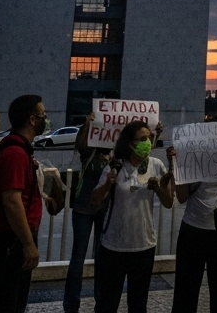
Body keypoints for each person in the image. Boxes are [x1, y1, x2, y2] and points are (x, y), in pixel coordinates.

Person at [0, 94, 47, 313]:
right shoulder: (15, 153)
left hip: (6, 243)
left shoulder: (16, 147)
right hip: (5, 245)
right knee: (4, 304)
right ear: (32, 120)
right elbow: (12, 202)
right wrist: (28, 244)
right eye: (43, 115)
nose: (46, 119)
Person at [89, 119, 173, 313]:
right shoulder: (116, 165)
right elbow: (94, 199)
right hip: (114, 246)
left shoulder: (156, 165)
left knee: (138, 303)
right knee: (108, 303)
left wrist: (158, 188)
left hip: (144, 245)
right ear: (130, 143)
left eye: (149, 138)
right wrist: (108, 184)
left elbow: (168, 202)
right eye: (141, 139)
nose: (147, 142)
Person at [169, 113, 217, 313]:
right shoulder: (191, 156)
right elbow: (182, 197)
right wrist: (177, 165)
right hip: (193, 229)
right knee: (186, 290)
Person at [63, 112, 111, 313]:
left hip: (104, 207)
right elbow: (80, 145)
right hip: (83, 206)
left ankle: (101, 300)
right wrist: (86, 125)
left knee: (102, 255)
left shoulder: (114, 154)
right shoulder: (88, 150)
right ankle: (71, 303)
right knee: (78, 256)